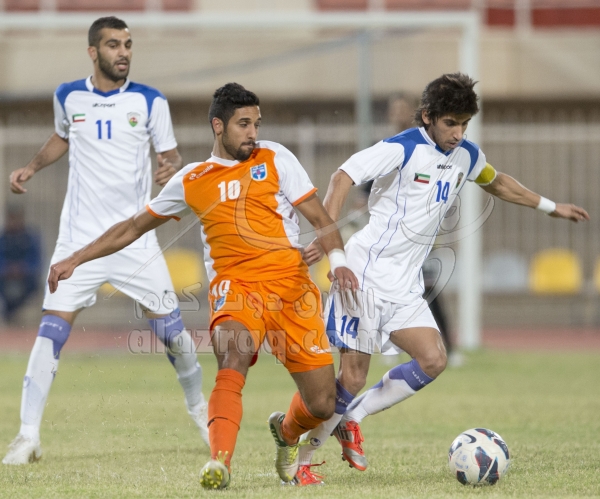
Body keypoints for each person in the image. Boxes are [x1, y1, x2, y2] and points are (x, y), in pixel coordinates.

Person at [46, 82, 359, 489]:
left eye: (256, 124)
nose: (253, 133)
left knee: (322, 403)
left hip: (291, 289)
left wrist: (338, 263)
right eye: (243, 124)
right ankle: (219, 463)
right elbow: (132, 227)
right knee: (233, 357)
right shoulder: (192, 179)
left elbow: (320, 219)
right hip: (235, 288)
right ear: (218, 125)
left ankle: (285, 431)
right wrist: (74, 258)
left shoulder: (276, 157)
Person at [298, 73, 589, 483]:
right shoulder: (401, 148)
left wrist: (551, 206)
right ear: (427, 117)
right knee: (353, 376)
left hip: (405, 283)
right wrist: (333, 247)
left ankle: (354, 418)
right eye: (451, 123)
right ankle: (302, 461)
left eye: (464, 124)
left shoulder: (466, 155)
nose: (458, 133)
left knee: (433, 359)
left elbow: (498, 183)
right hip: (362, 273)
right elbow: (340, 178)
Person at [2, 16, 208, 466]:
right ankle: (27, 436)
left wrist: (171, 166)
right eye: (114, 44)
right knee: (51, 331)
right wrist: (32, 167)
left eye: (128, 44)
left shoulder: (151, 100)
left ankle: (200, 410)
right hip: (78, 241)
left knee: (174, 336)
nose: (124, 52)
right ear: (93, 52)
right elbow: (62, 136)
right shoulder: (67, 95)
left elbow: (170, 153)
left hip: (134, 240)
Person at [389, 92, 462, 367]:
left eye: (402, 109)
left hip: (423, 239)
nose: (398, 115)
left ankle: (449, 347)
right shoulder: (385, 149)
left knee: (430, 293)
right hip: (391, 239)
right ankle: (390, 348)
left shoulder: (431, 150)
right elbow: (366, 192)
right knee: (389, 293)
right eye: (394, 110)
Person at [0, 205, 42, 322]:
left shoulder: (30, 238)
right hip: (4, 279)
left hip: (26, 280)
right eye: (11, 218)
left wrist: (23, 269)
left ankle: (17, 314)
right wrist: (7, 269)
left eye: (16, 218)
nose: (14, 222)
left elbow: (37, 261)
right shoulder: (3, 238)